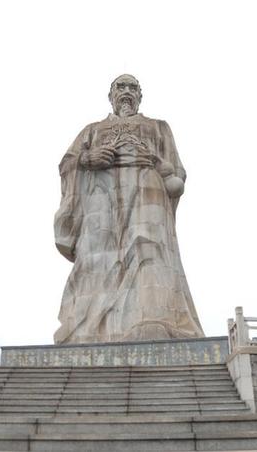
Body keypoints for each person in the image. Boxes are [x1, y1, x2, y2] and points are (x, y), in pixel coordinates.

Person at [53, 74, 204, 344]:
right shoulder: (92, 130)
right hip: (101, 195)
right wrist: (88, 158)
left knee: (148, 248)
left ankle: (152, 321)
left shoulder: (158, 127)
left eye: (132, 87)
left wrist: (159, 163)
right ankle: (89, 330)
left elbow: (177, 175)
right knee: (94, 257)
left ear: (140, 96)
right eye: (120, 87)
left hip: (148, 191)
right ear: (111, 95)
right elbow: (67, 163)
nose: (126, 91)